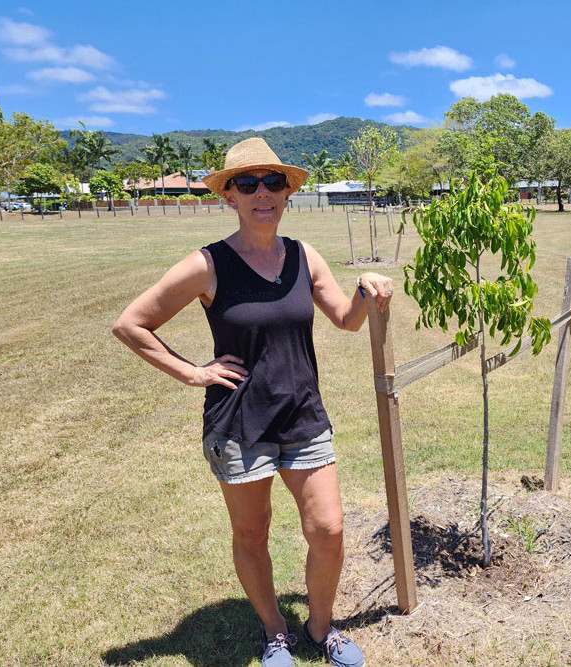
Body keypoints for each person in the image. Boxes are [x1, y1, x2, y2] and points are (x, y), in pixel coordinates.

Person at [113, 137, 392, 667]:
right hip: (237, 423)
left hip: (302, 414)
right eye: (247, 183)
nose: (262, 192)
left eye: (273, 182)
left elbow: (346, 319)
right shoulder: (208, 264)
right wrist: (194, 373)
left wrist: (365, 289)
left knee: (328, 530)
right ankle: (274, 633)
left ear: (287, 193)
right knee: (251, 531)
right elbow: (131, 324)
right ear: (230, 197)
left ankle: (320, 626)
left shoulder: (304, 255)